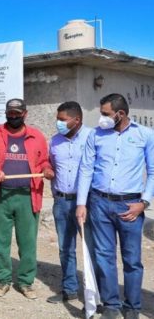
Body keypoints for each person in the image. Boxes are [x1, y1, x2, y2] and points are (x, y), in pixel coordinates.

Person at [76, 94, 153, 319]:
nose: (102, 118)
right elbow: (86, 169)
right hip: (99, 203)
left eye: (106, 114)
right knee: (104, 256)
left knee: (132, 260)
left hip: (131, 206)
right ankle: (111, 305)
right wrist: (82, 203)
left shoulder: (145, 135)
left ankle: (132, 308)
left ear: (120, 114)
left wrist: (143, 203)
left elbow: (153, 171)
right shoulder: (95, 135)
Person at [0, 98, 54, 300]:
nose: (13, 116)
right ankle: (3, 279)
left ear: (25, 114)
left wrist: (47, 170)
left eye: (17, 113)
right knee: (0, 242)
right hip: (1, 195)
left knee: (28, 242)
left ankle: (26, 282)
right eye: (10, 113)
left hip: (27, 195)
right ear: (6, 113)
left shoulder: (37, 136)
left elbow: (44, 161)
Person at [46, 101, 95, 304]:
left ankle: (96, 293)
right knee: (66, 248)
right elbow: (49, 163)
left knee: (92, 248)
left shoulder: (93, 137)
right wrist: (47, 170)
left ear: (77, 120)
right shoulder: (54, 141)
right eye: (57, 119)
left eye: (62, 120)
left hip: (87, 203)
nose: (58, 123)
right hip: (61, 201)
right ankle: (69, 290)